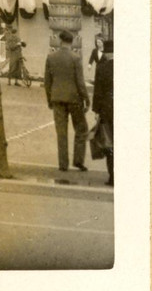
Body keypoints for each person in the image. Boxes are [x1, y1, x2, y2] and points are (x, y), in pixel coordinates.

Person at [44, 29, 90, 175]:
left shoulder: (51, 57)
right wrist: (86, 99)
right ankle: (78, 160)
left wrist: (49, 99)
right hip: (74, 99)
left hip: (57, 98)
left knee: (61, 132)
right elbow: (80, 82)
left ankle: (63, 164)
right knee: (81, 129)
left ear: (60, 41)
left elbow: (47, 81)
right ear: (72, 42)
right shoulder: (76, 58)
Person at [91, 38, 114, 186]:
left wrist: (96, 110)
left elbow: (97, 91)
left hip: (106, 109)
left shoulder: (101, 67)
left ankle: (113, 176)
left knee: (109, 142)